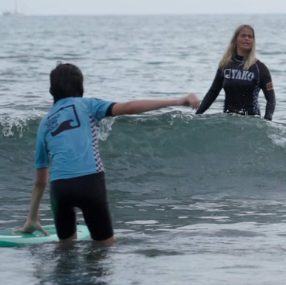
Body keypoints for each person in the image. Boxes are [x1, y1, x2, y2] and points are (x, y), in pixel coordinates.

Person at [17, 63, 200, 245]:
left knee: (66, 250)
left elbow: (41, 180)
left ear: (52, 90)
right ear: (81, 87)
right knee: (104, 248)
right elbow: (130, 107)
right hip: (89, 182)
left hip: (59, 188)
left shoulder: (45, 123)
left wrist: (32, 218)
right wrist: (177, 101)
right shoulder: (88, 105)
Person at [196, 24, 275, 120]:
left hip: (251, 120)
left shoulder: (260, 68)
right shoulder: (225, 66)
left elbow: (271, 98)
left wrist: (267, 119)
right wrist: (197, 115)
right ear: (236, 39)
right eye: (243, 35)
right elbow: (213, 92)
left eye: (250, 37)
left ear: (253, 41)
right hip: (228, 120)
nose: (247, 38)